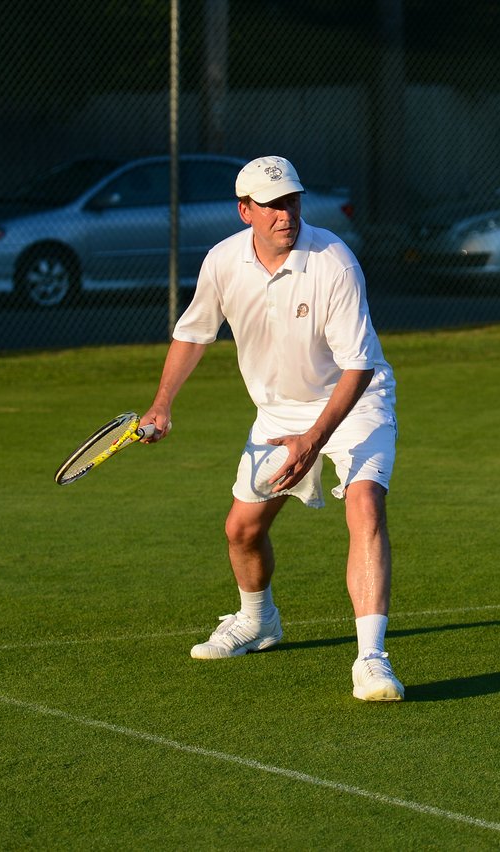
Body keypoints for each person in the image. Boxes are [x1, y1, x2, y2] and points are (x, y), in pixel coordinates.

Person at [140, 155, 404, 702]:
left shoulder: (334, 260)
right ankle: (257, 620)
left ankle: (371, 660)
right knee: (241, 531)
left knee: (365, 506)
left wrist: (315, 440)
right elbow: (193, 334)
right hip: (278, 412)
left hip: (354, 400)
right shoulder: (221, 262)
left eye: (292, 200)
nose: (286, 213)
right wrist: (162, 403)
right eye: (273, 204)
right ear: (246, 211)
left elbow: (358, 366)